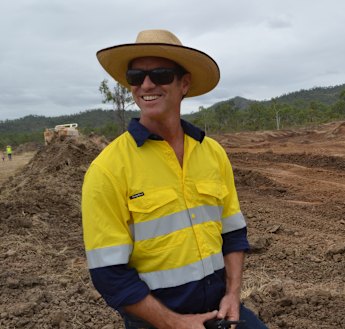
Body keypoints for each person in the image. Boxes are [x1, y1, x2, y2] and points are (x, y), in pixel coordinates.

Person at [82, 30, 268, 329]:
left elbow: (233, 235)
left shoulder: (213, 153)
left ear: (184, 83)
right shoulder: (107, 169)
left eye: (161, 74)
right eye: (136, 75)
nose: (146, 84)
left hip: (221, 312)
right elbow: (109, 274)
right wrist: (175, 323)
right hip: (156, 321)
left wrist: (233, 295)